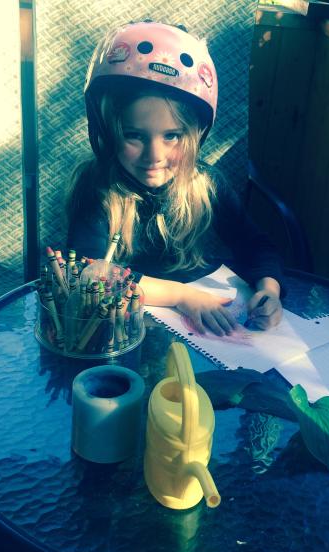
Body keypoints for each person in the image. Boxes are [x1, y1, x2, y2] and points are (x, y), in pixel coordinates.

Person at [66, 21, 284, 336]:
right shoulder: (98, 188)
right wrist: (181, 296)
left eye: (172, 136)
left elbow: (255, 244)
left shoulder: (206, 184)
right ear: (107, 131)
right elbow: (90, 272)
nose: (154, 155)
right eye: (134, 135)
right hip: (120, 330)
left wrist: (269, 290)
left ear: (195, 134)